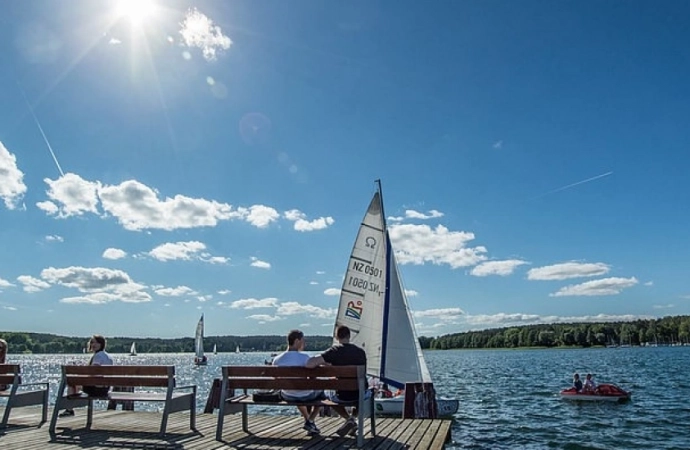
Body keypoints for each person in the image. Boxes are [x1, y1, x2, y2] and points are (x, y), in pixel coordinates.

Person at [306, 325, 366, 438]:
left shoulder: (333, 351)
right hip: (360, 394)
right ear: (349, 336)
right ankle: (353, 418)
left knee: (327, 396)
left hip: (342, 395)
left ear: (337, 337)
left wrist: (325, 363)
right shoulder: (360, 352)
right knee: (360, 392)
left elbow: (310, 364)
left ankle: (349, 419)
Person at [272, 329, 322, 435]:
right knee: (322, 395)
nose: (304, 343)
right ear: (297, 341)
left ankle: (308, 420)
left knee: (295, 391)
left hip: (287, 395)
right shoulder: (305, 358)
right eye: (303, 340)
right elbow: (314, 380)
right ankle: (310, 420)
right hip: (304, 394)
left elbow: (276, 380)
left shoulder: (277, 359)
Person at [59, 334, 114, 417]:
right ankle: (70, 408)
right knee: (76, 384)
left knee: (71, 384)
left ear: (101, 344)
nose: (93, 345)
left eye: (96, 343)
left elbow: (93, 372)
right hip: (105, 389)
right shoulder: (108, 356)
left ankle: (69, 409)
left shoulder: (98, 356)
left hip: (96, 389)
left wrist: (81, 373)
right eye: (92, 343)